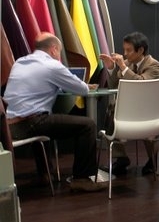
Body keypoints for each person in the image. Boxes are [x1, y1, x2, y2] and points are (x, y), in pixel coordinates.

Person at [3, 32, 105, 192]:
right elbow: (83, 90)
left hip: (7, 126)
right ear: (54, 49)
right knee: (88, 125)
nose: (59, 56)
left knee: (43, 117)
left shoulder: (20, 62)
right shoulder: (52, 65)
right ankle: (82, 179)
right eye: (59, 52)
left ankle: (45, 174)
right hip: (28, 123)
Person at [99, 31, 159, 176]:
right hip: (139, 109)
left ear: (140, 50)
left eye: (129, 50)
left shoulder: (153, 65)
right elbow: (113, 85)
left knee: (144, 116)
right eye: (124, 50)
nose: (125, 54)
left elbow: (142, 85)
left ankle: (155, 156)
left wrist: (123, 67)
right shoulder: (128, 64)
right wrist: (111, 68)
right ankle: (120, 158)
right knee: (113, 110)